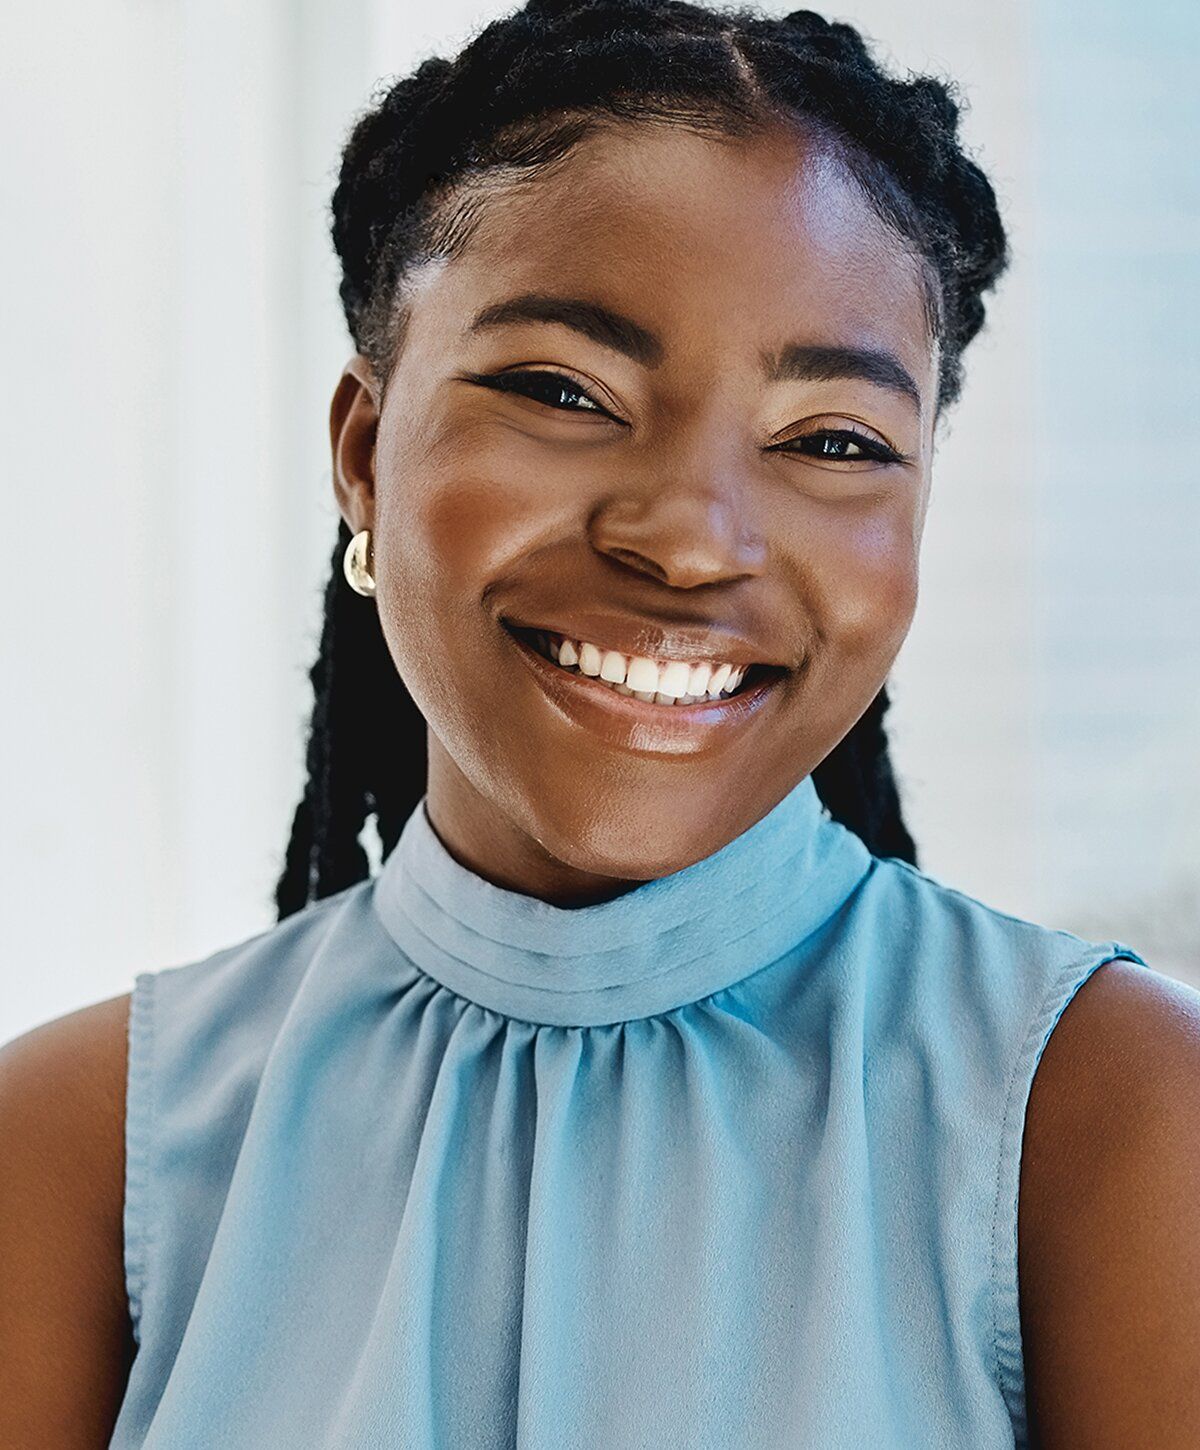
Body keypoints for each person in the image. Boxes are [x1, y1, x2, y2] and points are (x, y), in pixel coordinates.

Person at [2, 1, 1198, 1445]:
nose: (691, 540)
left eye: (833, 439)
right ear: (367, 453)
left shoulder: (1115, 1115)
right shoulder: (75, 1150)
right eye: (566, 390)